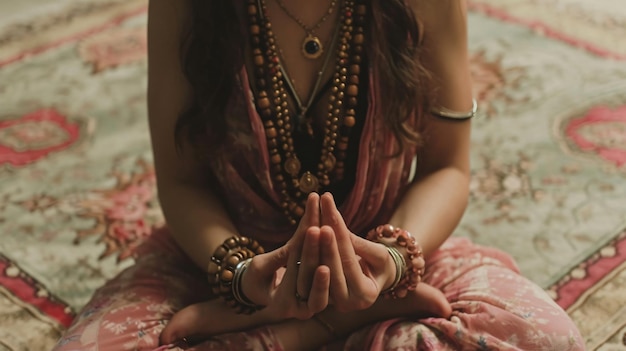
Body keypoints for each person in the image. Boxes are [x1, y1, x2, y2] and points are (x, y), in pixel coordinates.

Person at [53, 0, 585, 350]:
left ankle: (285, 332)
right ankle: (315, 325)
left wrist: (393, 262)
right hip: (222, 263)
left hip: (389, 256)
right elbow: (182, 182)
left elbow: (447, 167)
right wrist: (243, 279)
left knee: (544, 339)